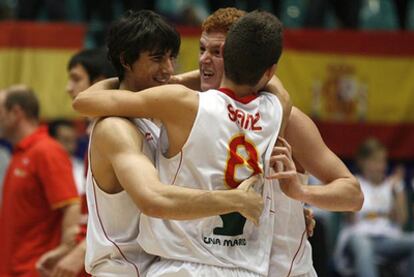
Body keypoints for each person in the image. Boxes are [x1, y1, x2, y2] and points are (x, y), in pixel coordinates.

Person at [77, 7, 363, 277]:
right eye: (202, 50)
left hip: (277, 267)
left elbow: (351, 193)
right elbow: (158, 197)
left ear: (241, 56)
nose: (204, 60)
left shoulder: (281, 116)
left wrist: (301, 195)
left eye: (218, 52)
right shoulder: (184, 112)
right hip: (167, 264)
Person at [78, 10, 265, 276]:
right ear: (126, 61)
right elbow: (152, 199)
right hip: (123, 270)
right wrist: (236, 200)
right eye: (157, 59)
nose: (168, 69)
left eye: (171, 58)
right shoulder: (116, 128)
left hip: (162, 265)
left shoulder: (159, 117)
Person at [35, 48, 116, 277]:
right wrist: (68, 247)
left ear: (99, 82)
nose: (69, 88)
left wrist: (78, 252)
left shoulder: (112, 129)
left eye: (76, 78)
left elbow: (116, 214)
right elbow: (92, 207)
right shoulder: (95, 130)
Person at [0, 86, 80, 276]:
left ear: (16, 113)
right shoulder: (20, 152)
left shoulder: (46, 151)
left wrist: (63, 256)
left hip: (34, 270)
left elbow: (71, 206)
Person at [335, 138, 414, 277]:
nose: (381, 166)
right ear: (363, 162)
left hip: (386, 238)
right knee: (363, 245)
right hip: (359, 236)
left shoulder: (393, 185)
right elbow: (351, 220)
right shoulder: (354, 183)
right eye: (375, 161)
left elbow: (401, 221)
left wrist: (398, 193)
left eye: (383, 161)